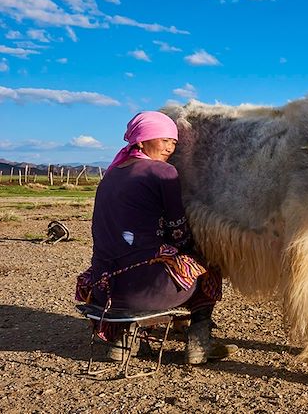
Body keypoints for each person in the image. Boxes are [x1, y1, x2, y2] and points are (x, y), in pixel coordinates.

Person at [75, 111, 236, 364]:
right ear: (141, 140)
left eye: (174, 142)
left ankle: (125, 340)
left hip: (102, 289)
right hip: (147, 291)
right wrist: (188, 249)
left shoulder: (112, 174)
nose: (171, 147)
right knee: (208, 263)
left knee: (135, 258)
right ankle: (200, 342)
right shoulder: (163, 172)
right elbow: (178, 229)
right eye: (164, 140)